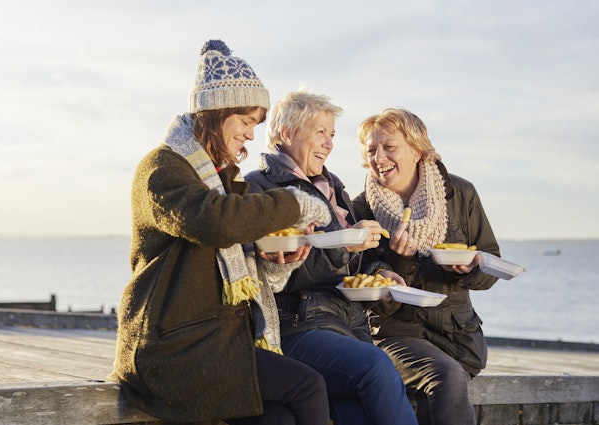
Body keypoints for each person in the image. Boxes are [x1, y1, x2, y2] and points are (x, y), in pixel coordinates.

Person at [110, 40, 332, 425]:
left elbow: (244, 264)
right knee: (308, 386)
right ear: (216, 113)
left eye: (255, 124)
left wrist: (278, 264)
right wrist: (294, 202)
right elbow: (216, 222)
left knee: (278, 418)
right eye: (245, 121)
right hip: (170, 348)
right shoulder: (162, 169)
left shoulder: (219, 179)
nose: (250, 134)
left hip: (216, 343)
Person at [245, 90, 418, 425]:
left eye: (332, 135)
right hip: (296, 326)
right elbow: (274, 273)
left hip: (345, 326)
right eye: (320, 133)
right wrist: (343, 248)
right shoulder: (260, 190)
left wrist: (381, 273)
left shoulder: (333, 189)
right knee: (377, 367)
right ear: (287, 134)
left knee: (355, 414)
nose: (329, 144)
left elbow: (356, 260)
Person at [352, 108, 500, 425]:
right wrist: (399, 264)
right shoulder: (361, 207)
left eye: (389, 147)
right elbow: (364, 293)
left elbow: (491, 266)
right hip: (394, 336)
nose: (378, 158)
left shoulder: (460, 195)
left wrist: (471, 268)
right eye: (371, 150)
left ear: (418, 149)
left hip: (458, 338)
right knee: (446, 376)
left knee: (450, 373)